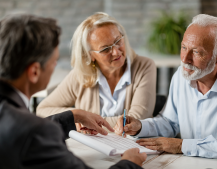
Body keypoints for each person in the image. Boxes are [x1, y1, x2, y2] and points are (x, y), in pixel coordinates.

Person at [0, 13, 147, 168]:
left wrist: (73, 116)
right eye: (54, 61)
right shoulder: (36, 133)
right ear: (35, 72)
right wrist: (130, 164)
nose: (55, 66)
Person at [114, 14, 217, 159]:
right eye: (184, 47)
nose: (185, 59)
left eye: (197, 52)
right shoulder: (181, 76)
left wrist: (181, 146)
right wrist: (140, 126)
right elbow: (170, 123)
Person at [36, 12, 156, 130]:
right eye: (105, 49)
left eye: (118, 41)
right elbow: (42, 110)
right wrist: (77, 115)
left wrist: (88, 121)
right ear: (90, 56)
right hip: (91, 147)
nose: (116, 52)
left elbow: (136, 120)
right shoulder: (80, 75)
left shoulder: (144, 66)